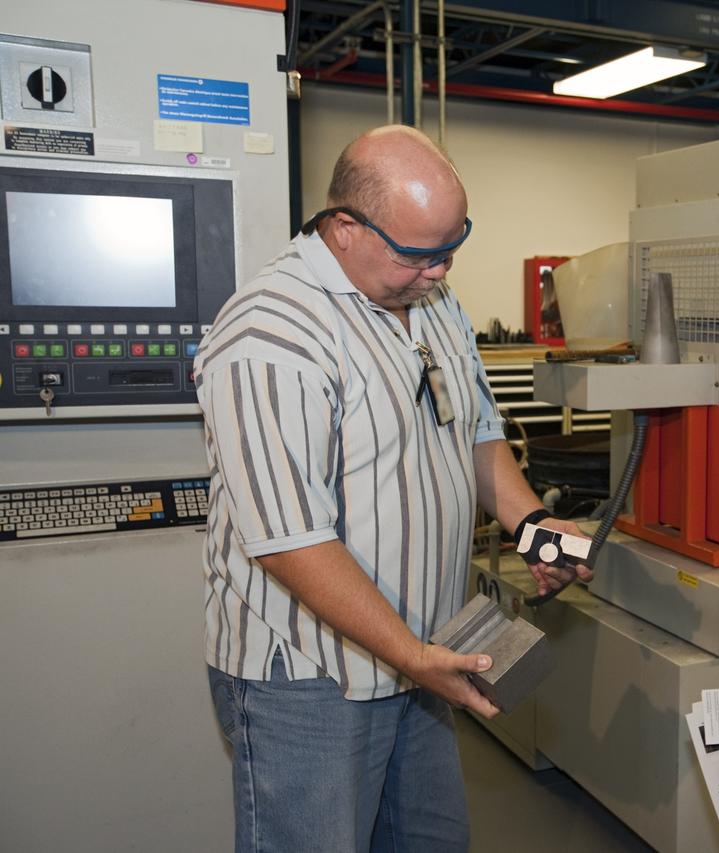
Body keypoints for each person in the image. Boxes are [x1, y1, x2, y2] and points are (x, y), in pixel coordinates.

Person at [194, 125, 590, 853]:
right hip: (312, 676)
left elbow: (472, 429)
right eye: (419, 253)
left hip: (420, 655)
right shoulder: (270, 335)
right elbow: (291, 540)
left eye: (452, 247)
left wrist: (531, 523)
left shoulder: (433, 301)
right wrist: (408, 653)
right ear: (345, 226)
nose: (439, 271)